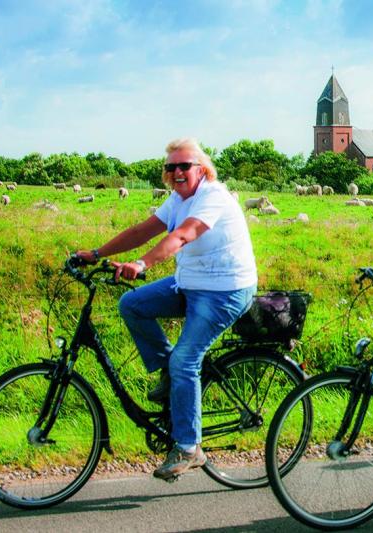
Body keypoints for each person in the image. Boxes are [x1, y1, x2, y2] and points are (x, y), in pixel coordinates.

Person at [76, 138, 256, 480]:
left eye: (184, 165)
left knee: (186, 359)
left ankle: (189, 446)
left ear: (201, 170)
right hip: (190, 283)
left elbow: (184, 236)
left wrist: (141, 264)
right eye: (170, 167)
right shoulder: (177, 200)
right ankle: (169, 374)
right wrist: (97, 254)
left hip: (224, 290)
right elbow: (143, 230)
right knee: (132, 303)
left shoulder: (212, 197)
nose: (176, 172)